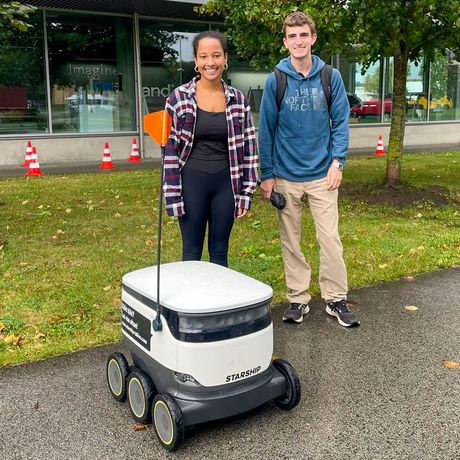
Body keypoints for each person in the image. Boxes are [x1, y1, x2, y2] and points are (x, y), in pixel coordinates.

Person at [258, 12, 360, 327]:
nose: (298, 41)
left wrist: (338, 161)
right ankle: (298, 299)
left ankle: (335, 299)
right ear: (285, 41)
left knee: (329, 238)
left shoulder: (331, 76)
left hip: (322, 175)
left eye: (304, 35)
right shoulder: (276, 80)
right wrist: (267, 174)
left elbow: (340, 121)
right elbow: (266, 129)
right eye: (292, 36)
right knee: (292, 241)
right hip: (286, 176)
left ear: (313, 38)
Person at [163, 30, 258, 267]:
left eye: (216, 55)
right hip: (191, 183)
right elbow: (170, 152)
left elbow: (249, 149)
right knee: (191, 254)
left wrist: (246, 193)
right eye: (203, 56)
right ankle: (190, 303)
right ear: (196, 61)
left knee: (219, 254)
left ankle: (219, 303)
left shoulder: (238, 100)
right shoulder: (178, 98)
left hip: (226, 185)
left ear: (225, 58)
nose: (210, 63)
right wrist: (172, 196)